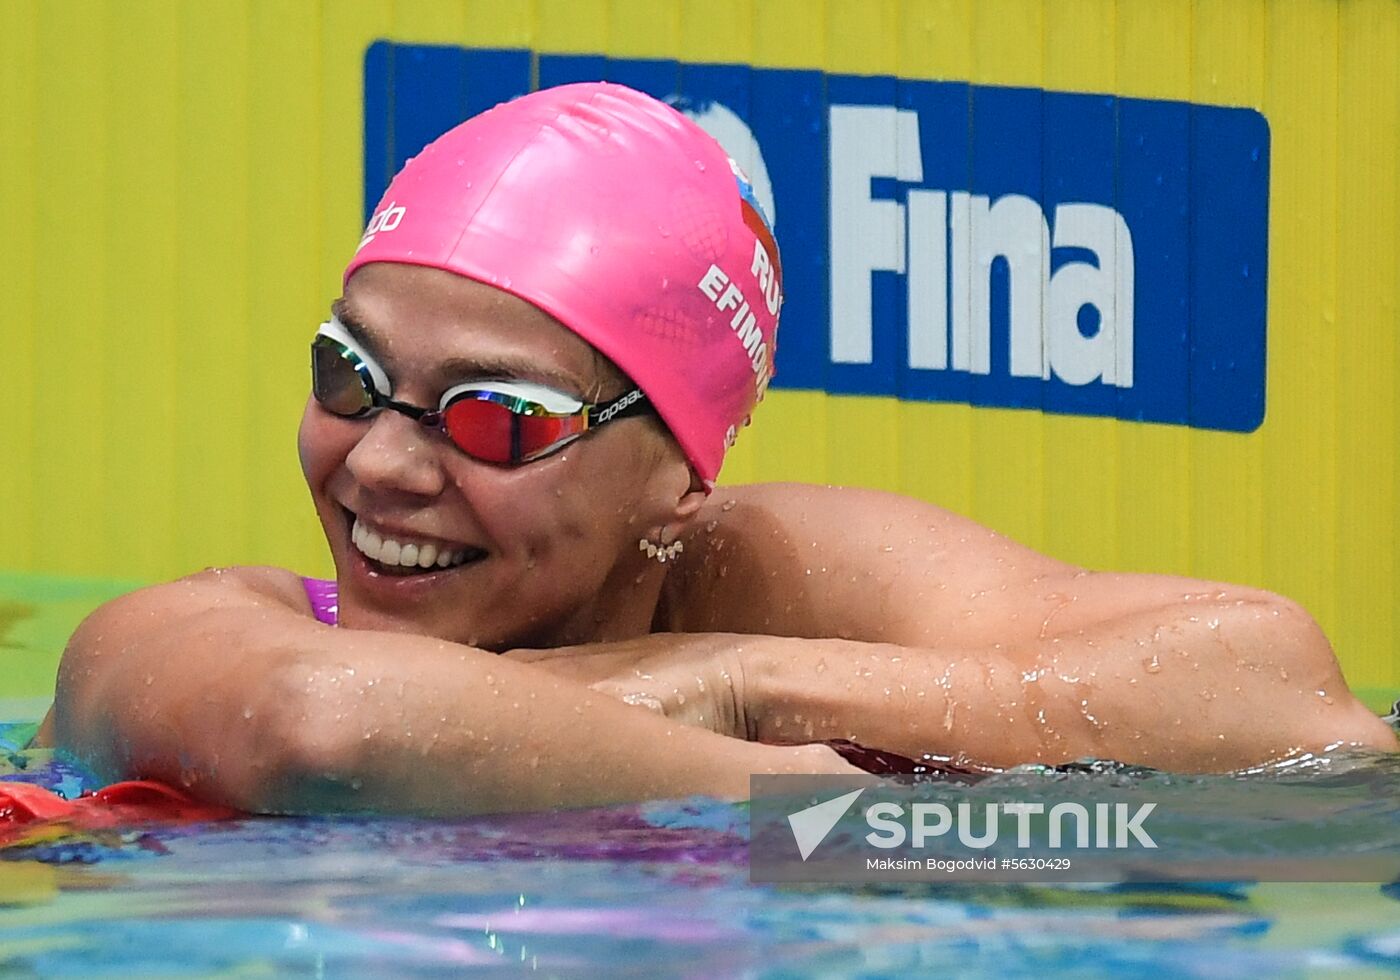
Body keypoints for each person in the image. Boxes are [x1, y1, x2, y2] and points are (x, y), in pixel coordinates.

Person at [32, 83, 1395, 816]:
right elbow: (318, 729)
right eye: (355, 375)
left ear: (680, 481)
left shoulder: (777, 580)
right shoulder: (195, 639)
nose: (382, 461)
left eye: (497, 416)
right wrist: (784, 781)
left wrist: (735, 672)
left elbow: (1284, 698)